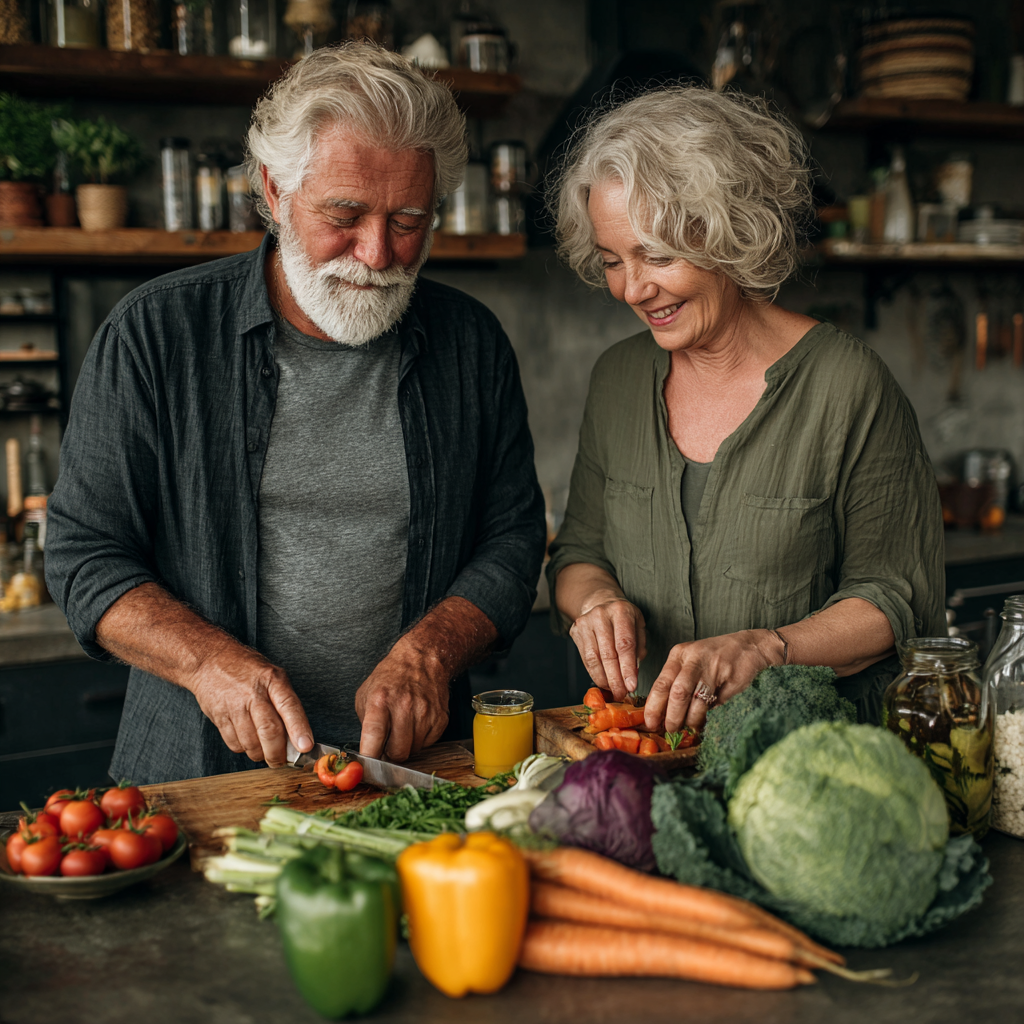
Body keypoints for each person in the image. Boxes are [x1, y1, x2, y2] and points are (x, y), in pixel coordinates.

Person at [45, 44, 546, 784]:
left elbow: (512, 537)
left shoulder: (470, 344)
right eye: (344, 215)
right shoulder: (155, 334)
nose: (378, 254)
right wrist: (207, 662)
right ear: (276, 192)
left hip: (417, 774)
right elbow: (84, 553)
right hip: (203, 774)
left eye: (409, 220)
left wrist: (430, 651)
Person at [546, 86, 945, 733]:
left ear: (730, 228)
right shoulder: (618, 379)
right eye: (612, 260)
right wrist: (596, 602)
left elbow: (896, 602)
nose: (632, 288)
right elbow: (579, 551)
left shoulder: (847, 385)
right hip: (651, 755)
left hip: (809, 765)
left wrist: (767, 647)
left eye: (658, 255)